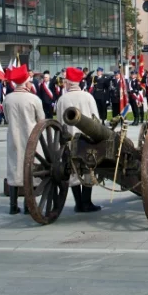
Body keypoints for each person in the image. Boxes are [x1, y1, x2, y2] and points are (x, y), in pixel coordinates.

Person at [54, 66, 102, 214]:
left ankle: (78, 203)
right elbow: (96, 119)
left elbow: (60, 122)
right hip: (87, 139)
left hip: (70, 139)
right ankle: (86, 202)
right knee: (89, 168)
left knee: (72, 169)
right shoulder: (88, 97)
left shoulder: (62, 99)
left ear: (68, 82)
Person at [3, 65, 44, 215]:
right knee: (31, 169)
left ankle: (13, 205)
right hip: (31, 137)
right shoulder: (33, 99)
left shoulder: (8, 99)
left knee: (14, 168)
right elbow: (42, 120)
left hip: (13, 137)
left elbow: (6, 117)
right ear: (26, 83)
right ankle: (29, 205)